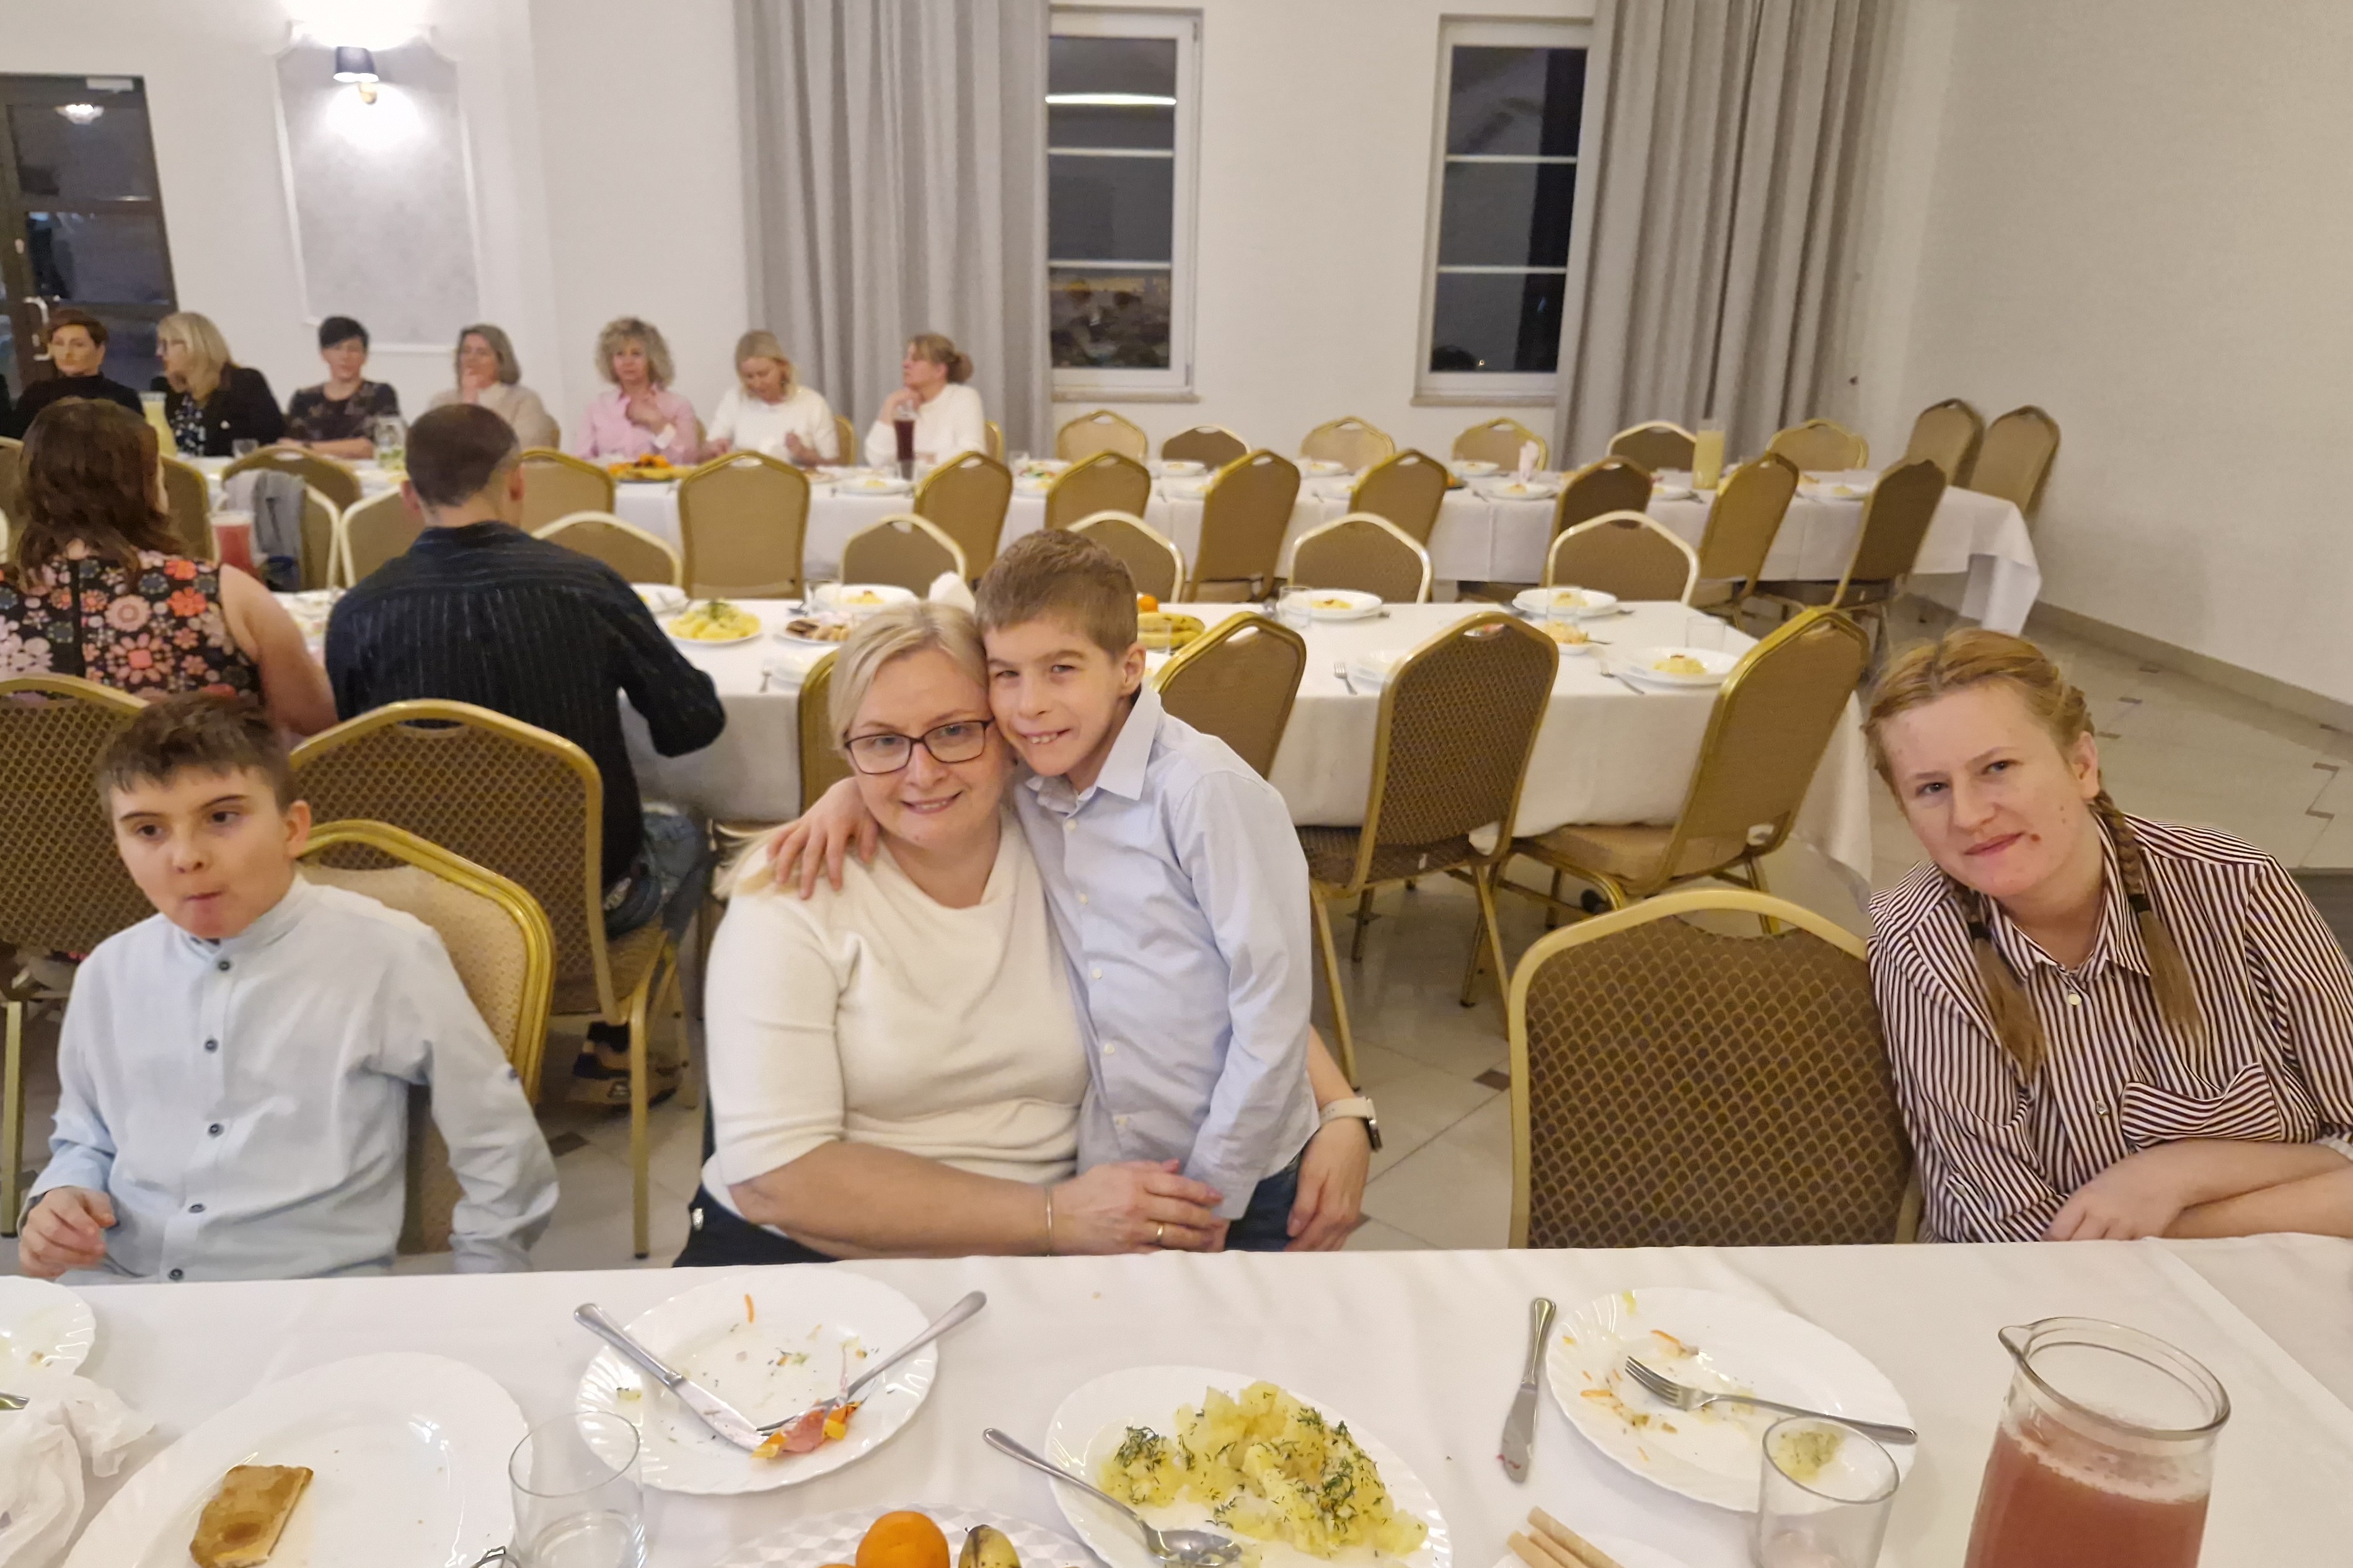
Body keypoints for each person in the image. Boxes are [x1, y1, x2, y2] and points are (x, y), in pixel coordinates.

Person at [774, 531, 1374, 1252]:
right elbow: (927, 769)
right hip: (1116, 1159)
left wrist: (1219, 1184)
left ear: (1128, 668)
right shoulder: (1032, 781)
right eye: (1006, 674)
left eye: (1061, 669)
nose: (1030, 705)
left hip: (1242, 1169)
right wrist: (850, 790)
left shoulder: (1203, 794)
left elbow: (1270, 1007)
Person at [687, 601, 1230, 1262]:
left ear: (1008, 732)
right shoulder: (793, 891)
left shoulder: (1068, 849)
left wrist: (1337, 1109)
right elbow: (776, 1181)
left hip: (1049, 1253)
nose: (922, 774)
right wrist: (1053, 1216)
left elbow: (1218, 976)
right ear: (847, 751)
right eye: (883, 741)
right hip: (813, 1256)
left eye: (953, 732)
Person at [16, 694, 557, 1282]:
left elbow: (496, 1138)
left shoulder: (386, 955)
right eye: (148, 830)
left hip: (305, 1290)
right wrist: (60, 1195)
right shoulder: (109, 971)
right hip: (123, 1281)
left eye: (222, 818)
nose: (187, 857)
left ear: (292, 828)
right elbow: (85, 1135)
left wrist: (486, 1280)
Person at [1868, 628, 2353, 1244]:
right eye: (1932, 788)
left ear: (2082, 765)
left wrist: (2177, 1175)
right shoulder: (1919, 945)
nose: (1968, 816)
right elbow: (2008, 1235)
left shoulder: (2236, 885)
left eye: (1997, 768)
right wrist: (2308, 1189)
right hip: (2060, 1295)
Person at [325, 403, 726, 1101]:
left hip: (430, 905)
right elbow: (691, 724)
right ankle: (611, 1039)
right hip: (586, 905)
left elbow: (359, 749)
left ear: (409, 496)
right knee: (687, 829)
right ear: (517, 482)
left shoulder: (359, 611)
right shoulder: (584, 585)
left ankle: (457, 1023)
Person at [0, 399, 334, 736]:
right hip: (198, 770)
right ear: (143, 488)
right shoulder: (220, 593)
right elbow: (313, 720)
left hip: (33, 771)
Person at [151, 311, 285, 457]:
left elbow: (271, 442)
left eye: (165, 345)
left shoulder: (244, 383)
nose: (159, 353)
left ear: (194, 346)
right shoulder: (170, 392)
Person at [573, 316, 698, 465]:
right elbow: (581, 464)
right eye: (620, 354)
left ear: (652, 359)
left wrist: (658, 423)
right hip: (610, 479)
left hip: (660, 480)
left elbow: (688, 461)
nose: (628, 362)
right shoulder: (596, 408)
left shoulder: (678, 405)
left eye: (636, 354)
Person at [704, 330, 838, 464]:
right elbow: (704, 457)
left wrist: (803, 453)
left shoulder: (813, 403)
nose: (757, 384)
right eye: (749, 377)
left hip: (794, 477)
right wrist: (713, 450)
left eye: (763, 374)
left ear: (783, 367)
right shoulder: (734, 399)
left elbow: (834, 466)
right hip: (744, 477)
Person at [6, 309, 143, 437]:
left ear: (100, 351)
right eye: (59, 344)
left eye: (78, 345)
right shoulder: (37, 395)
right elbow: (15, 444)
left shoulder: (122, 397)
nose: (67, 353)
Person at [426, 322, 562, 450]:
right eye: (466, 351)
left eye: (482, 353)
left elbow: (524, 449)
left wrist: (472, 411)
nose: (471, 359)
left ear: (501, 360)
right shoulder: (442, 401)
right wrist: (468, 402)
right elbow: (431, 449)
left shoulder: (524, 400)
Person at [283, 315, 400, 460]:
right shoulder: (304, 398)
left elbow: (372, 447)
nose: (345, 356)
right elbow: (288, 447)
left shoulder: (380, 393)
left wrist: (308, 448)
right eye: (337, 348)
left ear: (365, 356)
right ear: (324, 354)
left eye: (353, 349)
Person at [862, 332, 986, 467]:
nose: (905, 364)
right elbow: (876, 460)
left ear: (939, 370)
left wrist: (919, 459)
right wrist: (890, 405)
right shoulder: (901, 402)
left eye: (915, 360)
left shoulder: (963, 397)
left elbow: (972, 455)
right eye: (907, 358)